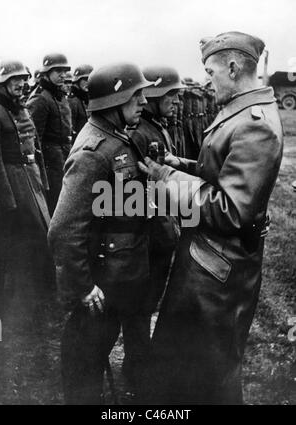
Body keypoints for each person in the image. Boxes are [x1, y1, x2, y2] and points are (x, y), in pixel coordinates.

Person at [138, 31, 283, 405]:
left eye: (210, 70)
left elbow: (230, 208)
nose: (206, 80)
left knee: (205, 375)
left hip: (216, 273)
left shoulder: (254, 123)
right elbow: (222, 171)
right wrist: (180, 164)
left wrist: (165, 177)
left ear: (233, 68)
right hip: (211, 261)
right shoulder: (244, 110)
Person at [48, 63, 154, 404]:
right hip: (101, 281)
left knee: (96, 351)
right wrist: (83, 285)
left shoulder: (115, 137)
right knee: (82, 365)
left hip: (120, 272)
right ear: (114, 100)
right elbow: (63, 230)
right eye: (136, 95)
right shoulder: (93, 152)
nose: (143, 102)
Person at [0, 59, 52, 398]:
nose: (20, 85)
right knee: (20, 248)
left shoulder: (17, 108)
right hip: (13, 185)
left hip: (29, 179)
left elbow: (35, 147)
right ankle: (12, 316)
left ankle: (30, 305)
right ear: (2, 84)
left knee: (36, 242)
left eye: (22, 80)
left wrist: (41, 179)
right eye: (14, 81)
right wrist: (7, 202)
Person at [127, 65, 184, 355]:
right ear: (155, 94)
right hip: (149, 232)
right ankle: (137, 362)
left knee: (150, 297)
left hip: (161, 226)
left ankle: (139, 358)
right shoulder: (139, 133)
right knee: (142, 300)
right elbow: (134, 192)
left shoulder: (155, 127)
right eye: (171, 95)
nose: (177, 102)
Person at [27, 53, 72, 216]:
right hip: (50, 159)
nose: (63, 74)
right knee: (56, 199)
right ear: (47, 73)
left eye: (64, 70)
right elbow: (34, 137)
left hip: (64, 152)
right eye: (57, 70)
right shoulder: (41, 98)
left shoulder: (58, 95)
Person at [68, 64, 93, 143]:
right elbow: (70, 129)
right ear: (77, 81)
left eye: (90, 79)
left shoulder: (87, 98)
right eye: (85, 79)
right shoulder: (73, 101)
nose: (88, 83)